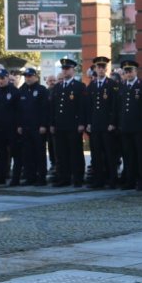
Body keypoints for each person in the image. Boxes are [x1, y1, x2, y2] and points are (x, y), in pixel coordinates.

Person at [50, 58, 87, 187]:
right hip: (60, 125)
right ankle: (63, 178)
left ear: (73, 70)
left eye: (67, 69)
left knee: (75, 153)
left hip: (73, 125)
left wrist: (82, 123)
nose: (65, 71)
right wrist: (52, 124)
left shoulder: (79, 86)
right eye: (63, 69)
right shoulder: (58, 87)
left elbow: (82, 107)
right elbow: (54, 107)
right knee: (61, 154)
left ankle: (78, 178)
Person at [85, 57, 120, 189]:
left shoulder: (112, 84)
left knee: (110, 154)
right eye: (98, 67)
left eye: (102, 67)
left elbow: (115, 106)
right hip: (95, 125)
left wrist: (112, 122)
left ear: (106, 69)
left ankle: (112, 179)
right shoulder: (92, 86)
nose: (100, 69)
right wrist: (88, 122)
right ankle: (98, 180)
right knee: (96, 154)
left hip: (107, 125)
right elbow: (88, 106)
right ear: (95, 69)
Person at [116, 60, 142, 191]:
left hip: (139, 127)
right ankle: (130, 180)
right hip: (125, 127)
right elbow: (119, 108)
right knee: (128, 155)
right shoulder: (122, 87)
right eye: (126, 71)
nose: (128, 73)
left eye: (131, 71)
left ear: (136, 71)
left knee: (141, 155)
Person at [13, 68, 49, 186]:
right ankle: (30, 177)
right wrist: (19, 124)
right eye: (26, 76)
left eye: (30, 76)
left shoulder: (42, 90)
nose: (27, 78)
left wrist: (44, 125)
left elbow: (45, 109)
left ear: (36, 77)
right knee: (27, 154)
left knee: (39, 153)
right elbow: (18, 110)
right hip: (25, 127)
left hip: (38, 128)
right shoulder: (22, 90)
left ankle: (41, 178)